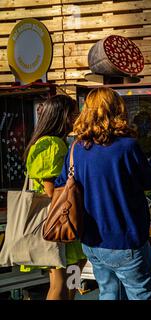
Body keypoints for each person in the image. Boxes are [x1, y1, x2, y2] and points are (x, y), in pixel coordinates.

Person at [54, 87, 151, 300]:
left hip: (92, 242)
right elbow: (148, 180)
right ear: (117, 110)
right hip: (126, 240)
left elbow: (62, 184)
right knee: (142, 295)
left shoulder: (76, 149)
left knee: (109, 293)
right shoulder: (127, 146)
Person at [22, 95, 86, 300]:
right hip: (58, 223)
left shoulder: (50, 142)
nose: (77, 117)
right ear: (62, 116)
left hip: (60, 223)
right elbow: (50, 190)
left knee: (70, 281)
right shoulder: (52, 144)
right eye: (73, 112)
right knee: (59, 284)